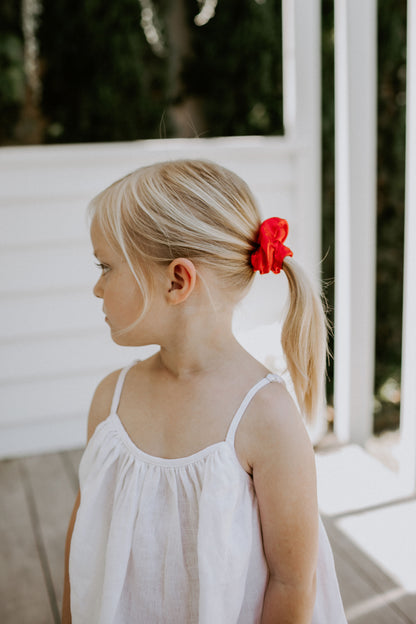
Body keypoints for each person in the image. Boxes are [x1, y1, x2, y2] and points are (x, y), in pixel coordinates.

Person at [62, 159, 347, 623]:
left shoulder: (265, 416)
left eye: (106, 267)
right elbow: (84, 540)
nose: (97, 288)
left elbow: (292, 581)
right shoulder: (110, 401)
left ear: (177, 280)